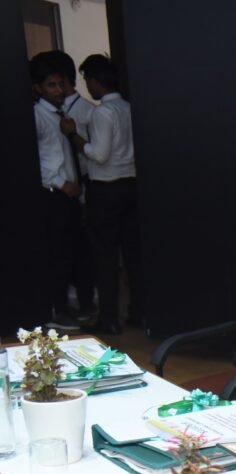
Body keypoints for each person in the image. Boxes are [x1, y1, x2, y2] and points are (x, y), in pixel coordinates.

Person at [61, 54, 140, 335]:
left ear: (94, 81)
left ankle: (108, 318)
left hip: (105, 189)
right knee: (132, 254)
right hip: (130, 185)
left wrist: (74, 135)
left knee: (105, 256)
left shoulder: (102, 113)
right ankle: (138, 312)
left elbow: (99, 154)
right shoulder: (128, 107)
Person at [30, 51, 80, 331]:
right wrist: (61, 183)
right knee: (56, 255)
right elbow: (35, 160)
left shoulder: (59, 115)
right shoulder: (37, 116)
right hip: (52, 194)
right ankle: (54, 310)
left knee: (67, 253)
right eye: (52, 85)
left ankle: (62, 306)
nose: (59, 90)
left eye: (61, 84)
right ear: (38, 87)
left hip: (67, 195)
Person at [50, 50, 97, 322]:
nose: (56, 90)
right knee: (66, 249)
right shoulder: (47, 113)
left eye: (59, 83)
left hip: (86, 183)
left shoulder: (88, 112)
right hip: (65, 187)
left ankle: (86, 299)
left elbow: (95, 154)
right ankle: (67, 302)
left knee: (83, 247)